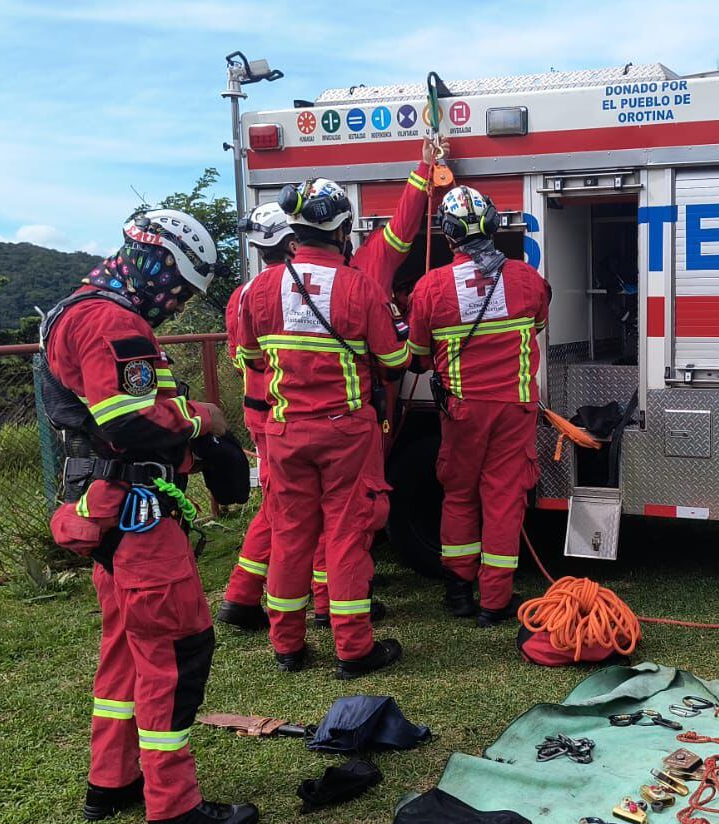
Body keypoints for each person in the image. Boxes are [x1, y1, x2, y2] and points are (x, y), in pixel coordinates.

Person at [40, 209, 258, 824]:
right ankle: (174, 811)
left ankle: (111, 781)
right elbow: (134, 424)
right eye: (180, 289)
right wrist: (202, 420)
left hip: (106, 511)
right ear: (158, 264)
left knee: (125, 651)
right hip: (138, 515)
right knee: (175, 653)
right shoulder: (112, 322)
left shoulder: (76, 310)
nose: (177, 303)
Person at [220, 150, 433, 631]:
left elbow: (246, 360)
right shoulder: (360, 284)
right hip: (345, 425)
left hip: (278, 424)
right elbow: (396, 361)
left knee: (288, 525)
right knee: (344, 525)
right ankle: (345, 632)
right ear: (343, 230)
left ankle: (286, 638)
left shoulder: (251, 294)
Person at [406, 185, 550, 627]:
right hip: (514, 408)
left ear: (447, 236)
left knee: (460, 496)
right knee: (505, 501)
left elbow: (418, 354)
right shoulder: (528, 279)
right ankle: (494, 603)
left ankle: (458, 592)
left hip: (462, 412)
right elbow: (539, 324)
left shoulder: (429, 288)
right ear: (492, 226)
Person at [217, 202, 296, 632]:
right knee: (289, 506)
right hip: (288, 412)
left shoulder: (243, 295)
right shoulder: (294, 290)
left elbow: (239, 357)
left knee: (278, 502)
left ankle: (243, 595)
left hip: (258, 410)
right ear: (291, 241)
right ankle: (242, 594)